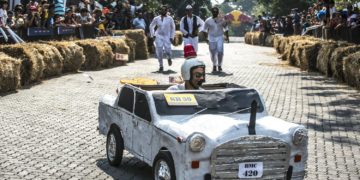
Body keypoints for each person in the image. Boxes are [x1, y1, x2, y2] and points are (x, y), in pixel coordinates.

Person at [202, 7, 229, 73]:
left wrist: (227, 37)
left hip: (220, 37)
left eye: (216, 12)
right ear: (211, 12)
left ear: (218, 12)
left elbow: (226, 28)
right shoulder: (208, 20)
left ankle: (219, 65)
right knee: (213, 53)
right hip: (211, 38)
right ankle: (214, 65)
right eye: (213, 12)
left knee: (220, 52)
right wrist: (206, 39)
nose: (215, 13)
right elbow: (204, 30)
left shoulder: (222, 20)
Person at [149, 5, 175, 72]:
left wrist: (172, 37)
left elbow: (173, 28)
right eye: (161, 10)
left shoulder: (170, 18)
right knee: (159, 51)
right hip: (159, 36)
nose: (163, 11)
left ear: (166, 11)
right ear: (160, 10)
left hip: (167, 36)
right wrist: (153, 34)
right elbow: (151, 26)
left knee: (168, 50)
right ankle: (161, 65)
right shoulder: (156, 18)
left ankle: (169, 58)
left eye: (164, 10)